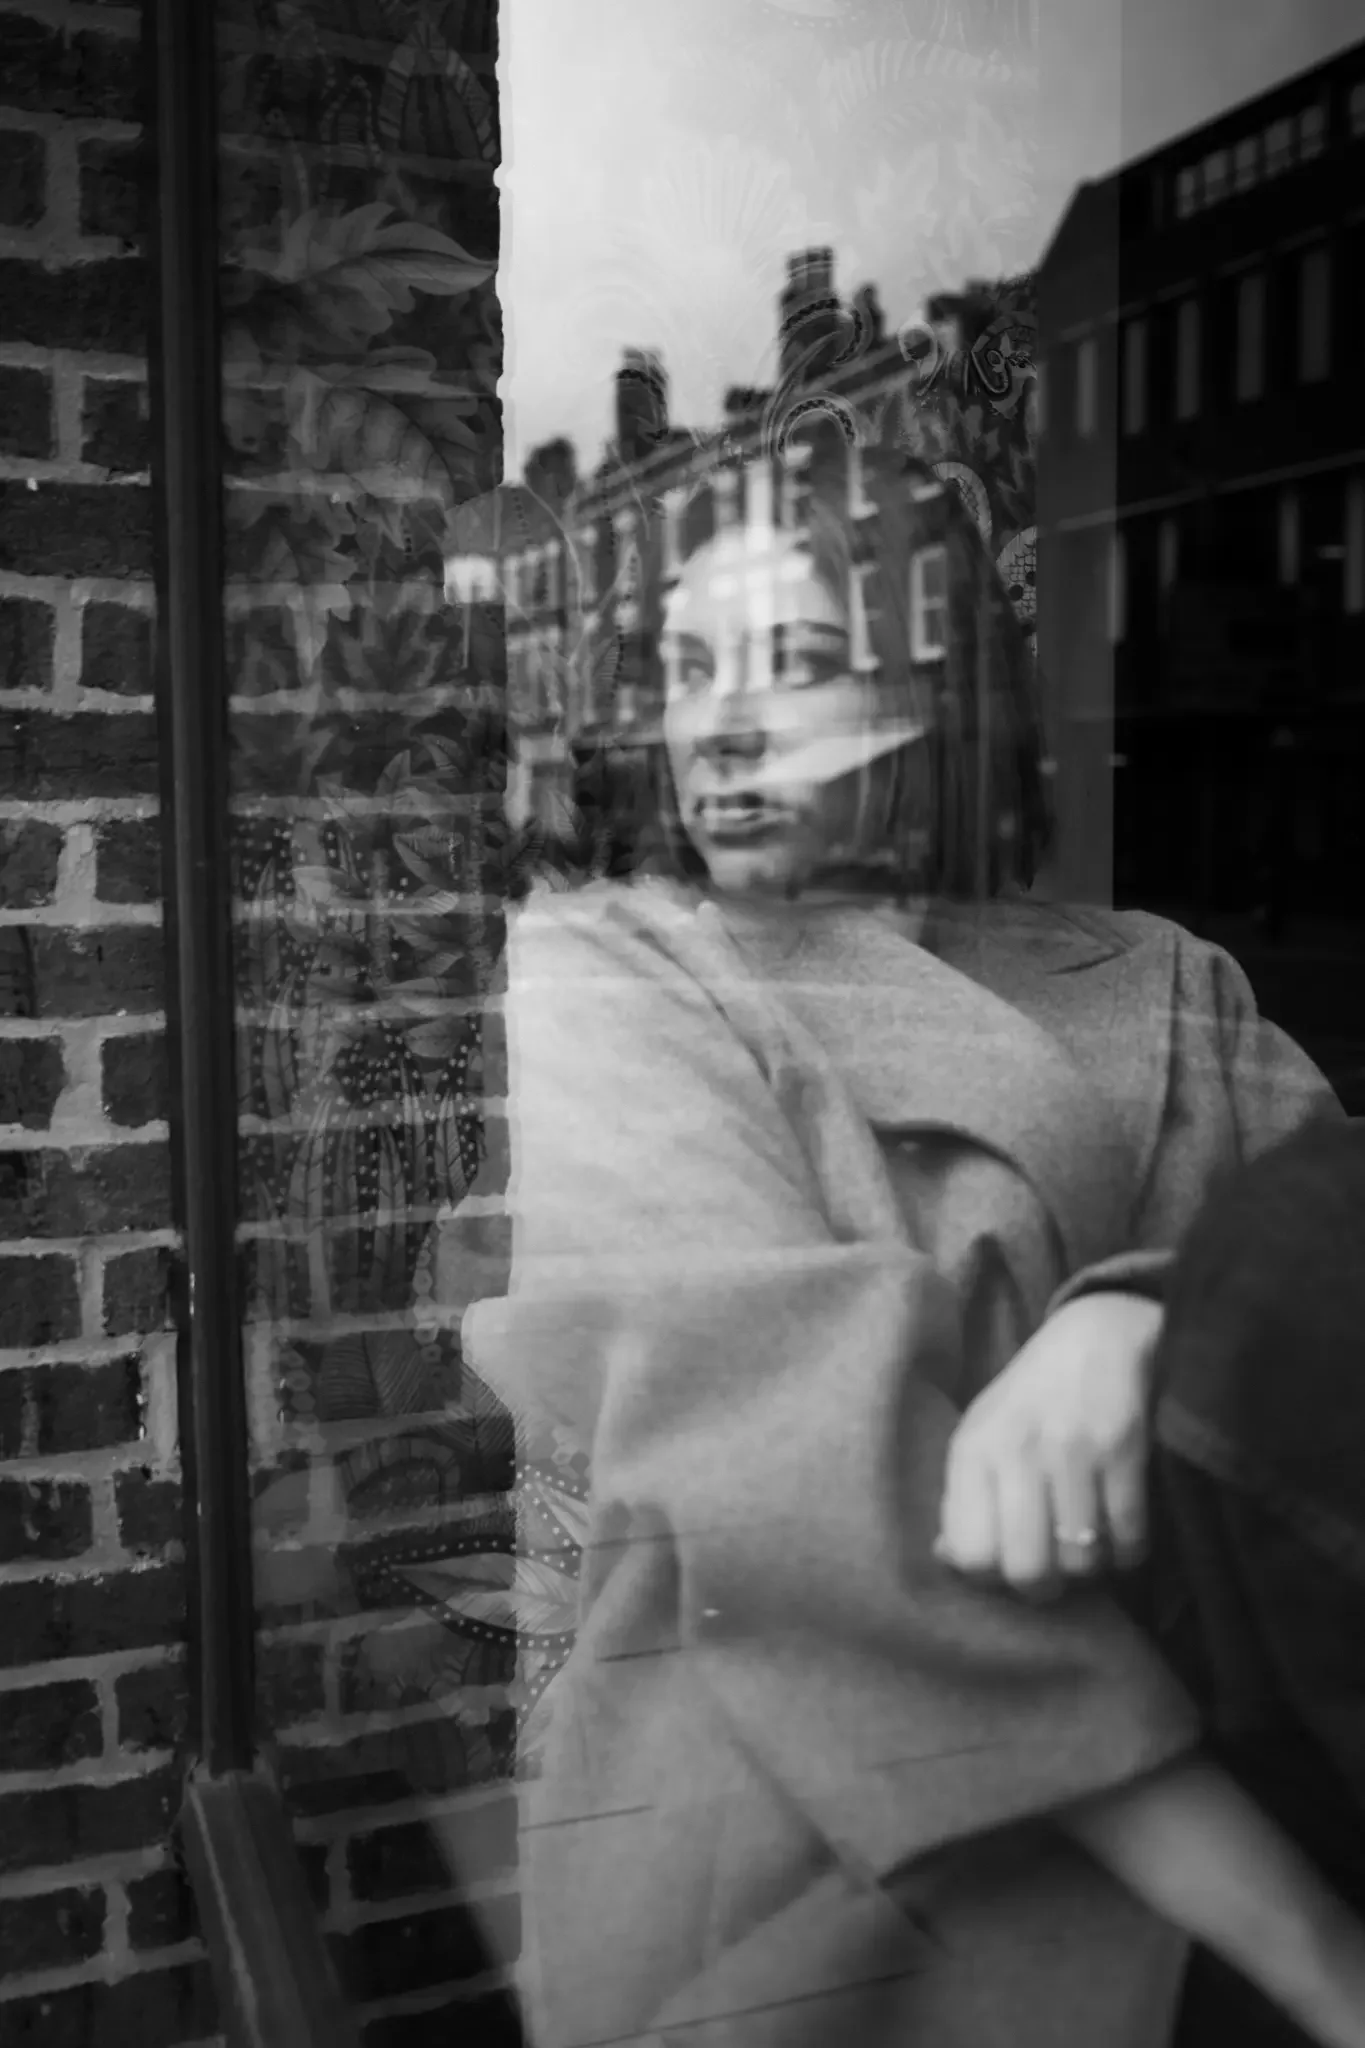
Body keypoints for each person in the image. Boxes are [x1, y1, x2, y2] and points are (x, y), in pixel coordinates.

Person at [448, 427, 1362, 2046]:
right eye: (686, 665)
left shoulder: (1160, 975)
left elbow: (1326, 1291)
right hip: (837, 1848)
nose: (718, 719)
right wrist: (1323, 1958)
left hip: (1263, 1749)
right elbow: (811, 1496)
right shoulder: (612, 976)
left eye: (792, 662)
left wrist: (1138, 1315)